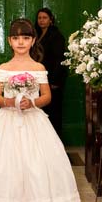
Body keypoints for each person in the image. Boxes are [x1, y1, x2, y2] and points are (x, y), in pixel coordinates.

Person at [0, 18, 82, 202]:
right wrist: (10, 101)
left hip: (33, 119)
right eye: (16, 38)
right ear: (9, 41)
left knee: (38, 164)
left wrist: (32, 102)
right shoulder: (4, 67)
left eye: (25, 38)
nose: (20, 42)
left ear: (32, 41)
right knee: (6, 164)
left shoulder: (38, 67)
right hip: (8, 118)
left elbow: (47, 96)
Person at [34, 8, 67, 137]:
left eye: (45, 18)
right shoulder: (36, 34)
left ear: (51, 19)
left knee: (54, 112)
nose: (42, 20)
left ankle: (55, 140)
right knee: (41, 110)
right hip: (40, 78)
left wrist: (54, 80)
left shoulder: (56, 35)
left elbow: (60, 59)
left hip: (53, 79)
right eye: (39, 18)